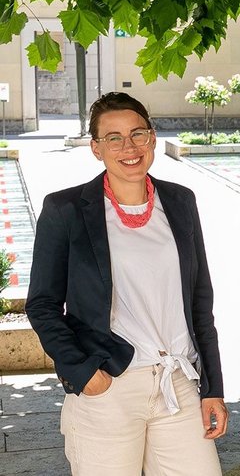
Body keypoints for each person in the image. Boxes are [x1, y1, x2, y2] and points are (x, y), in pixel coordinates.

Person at [26, 92, 228, 475]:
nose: (129, 147)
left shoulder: (180, 201)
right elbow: (43, 304)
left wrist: (212, 386)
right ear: (96, 148)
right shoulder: (65, 209)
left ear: (152, 138)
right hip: (110, 384)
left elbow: (200, 299)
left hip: (178, 382)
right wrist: (83, 373)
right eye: (113, 138)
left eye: (138, 134)